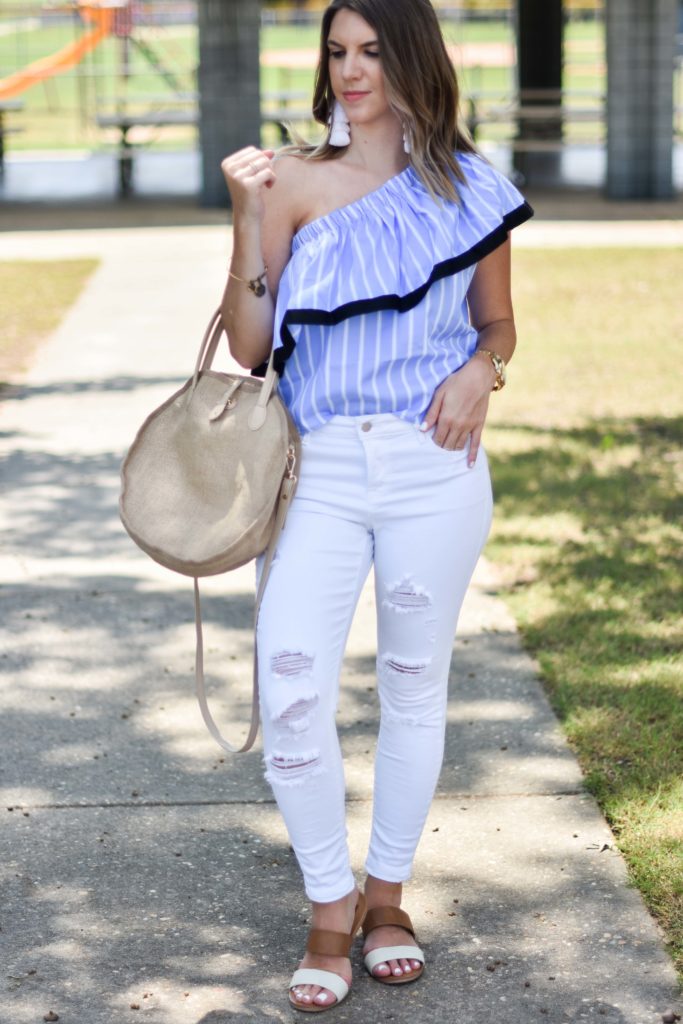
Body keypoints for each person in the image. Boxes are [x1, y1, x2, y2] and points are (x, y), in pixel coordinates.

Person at [220, 0, 533, 1012]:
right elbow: (251, 347)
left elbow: (498, 325)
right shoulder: (290, 179)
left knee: (410, 682)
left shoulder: (471, 185)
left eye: (370, 52)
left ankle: (385, 900)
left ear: (412, 61)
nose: (350, 71)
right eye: (336, 52)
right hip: (316, 471)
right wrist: (243, 215)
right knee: (294, 684)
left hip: (432, 468)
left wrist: (481, 374)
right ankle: (326, 902)